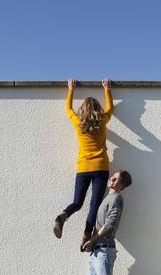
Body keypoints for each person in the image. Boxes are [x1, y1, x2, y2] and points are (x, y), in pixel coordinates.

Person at [54, 78, 114, 249]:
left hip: (83, 167)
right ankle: (86, 235)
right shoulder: (102, 120)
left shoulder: (78, 123)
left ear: (83, 110)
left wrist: (70, 89)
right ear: (97, 109)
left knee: (77, 202)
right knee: (94, 204)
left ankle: (64, 215)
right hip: (101, 167)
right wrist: (107, 89)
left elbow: (68, 109)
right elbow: (110, 108)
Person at [72, 170, 132, 275]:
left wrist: (94, 239)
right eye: (112, 177)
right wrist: (89, 241)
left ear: (121, 185)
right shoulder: (107, 197)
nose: (111, 180)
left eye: (115, 179)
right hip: (96, 250)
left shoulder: (116, 199)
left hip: (105, 249)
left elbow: (110, 223)